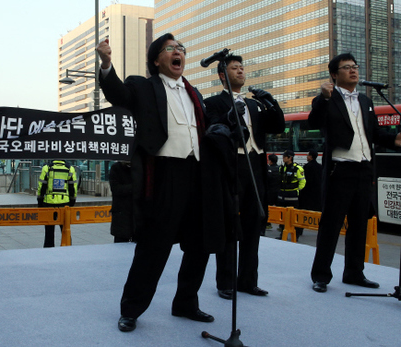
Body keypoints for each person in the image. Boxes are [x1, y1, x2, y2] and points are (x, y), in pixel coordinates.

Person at [97, 34, 236, 332]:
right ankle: (131, 309)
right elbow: (118, 95)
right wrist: (107, 65)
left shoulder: (193, 92)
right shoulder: (144, 86)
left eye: (181, 49)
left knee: (199, 244)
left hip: (198, 174)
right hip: (165, 174)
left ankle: (186, 303)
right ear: (157, 59)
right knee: (153, 247)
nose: (179, 53)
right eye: (171, 49)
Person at [309, 53, 401, 293]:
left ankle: (354, 272)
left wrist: (395, 141)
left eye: (355, 67)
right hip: (340, 170)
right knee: (331, 224)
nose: (353, 71)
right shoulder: (329, 99)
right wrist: (323, 98)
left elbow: (376, 135)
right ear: (334, 74)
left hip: (364, 168)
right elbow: (313, 121)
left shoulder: (365, 100)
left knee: (360, 224)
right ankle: (320, 275)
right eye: (346, 67)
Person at [204, 54, 285, 300]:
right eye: (234, 68)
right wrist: (229, 117)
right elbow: (211, 130)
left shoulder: (254, 104)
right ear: (221, 75)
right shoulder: (214, 103)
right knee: (230, 224)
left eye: (242, 67)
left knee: (254, 222)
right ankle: (225, 281)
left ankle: (248, 280)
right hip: (232, 164)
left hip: (256, 165)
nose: (240, 71)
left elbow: (278, 126)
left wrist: (272, 104)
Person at [37, 160, 77, 248]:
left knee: (49, 231)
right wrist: (72, 201)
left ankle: (49, 250)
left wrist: (40, 201)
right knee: (65, 229)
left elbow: (42, 186)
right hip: (65, 204)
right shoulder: (70, 168)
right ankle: (68, 248)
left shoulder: (47, 168)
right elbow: (73, 187)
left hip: (49, 203)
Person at [277, 150, 306, 240]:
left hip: (292, 196)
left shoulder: (298, 169)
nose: (283, 158)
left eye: (285, 156)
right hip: (282, 195)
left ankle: (295, 235)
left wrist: (297, 190)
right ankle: (282, 234)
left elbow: (302, 181)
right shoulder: (281, 168)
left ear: (290, 158)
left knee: (294, 217)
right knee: (282, 216)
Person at [108, 160, 134, 243]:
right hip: (121, 213)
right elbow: (116, 189)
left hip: (136, 214)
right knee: (120, 244)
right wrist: (136, 187)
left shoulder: (140, 167)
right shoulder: (116, 168)